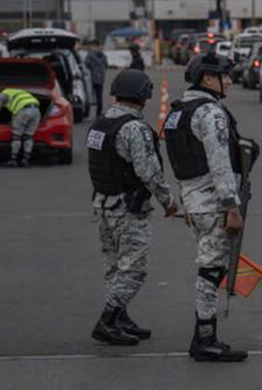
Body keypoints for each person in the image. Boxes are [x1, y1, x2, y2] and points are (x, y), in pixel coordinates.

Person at [164, 53, 256, 362]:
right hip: (215, 203)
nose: (229, 80)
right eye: (224, 75)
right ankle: (205, 339)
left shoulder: (177, 112)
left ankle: (205, 336)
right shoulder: (210, 113)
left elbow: (180, 162)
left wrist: (187, 203)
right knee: (210, 271)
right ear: (207, 78)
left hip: (195, 202)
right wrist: (232, 206)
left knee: (210, 266)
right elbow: (219, 164)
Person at [87, 69, 176, 346]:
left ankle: (121, 317)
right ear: (143, 95)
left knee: (114, 266)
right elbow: (149, 172)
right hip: (128, 208)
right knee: (134, 269)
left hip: (104, 205)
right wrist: (168, 201)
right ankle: (107, 320)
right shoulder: (134, 128)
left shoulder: (100, 124)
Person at [0, 86, 42, 167]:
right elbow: (16, 111)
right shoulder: (18, 92)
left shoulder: (2, 95)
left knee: (16, 136)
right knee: (28, 136)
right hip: (36, 111)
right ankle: (26, 160)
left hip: (24, 111)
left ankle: (13, 160)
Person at [85, 40, 109, 118]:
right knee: (95, 97)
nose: (91, 48)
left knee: (92, 97)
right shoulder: (102, 56)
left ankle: (93, 114)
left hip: (93, 79)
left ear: (97, 46)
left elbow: (86, 64)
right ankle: (95, 114)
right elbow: (106, 65)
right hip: (98, 79)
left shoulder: (90, 55)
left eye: (92, 46)